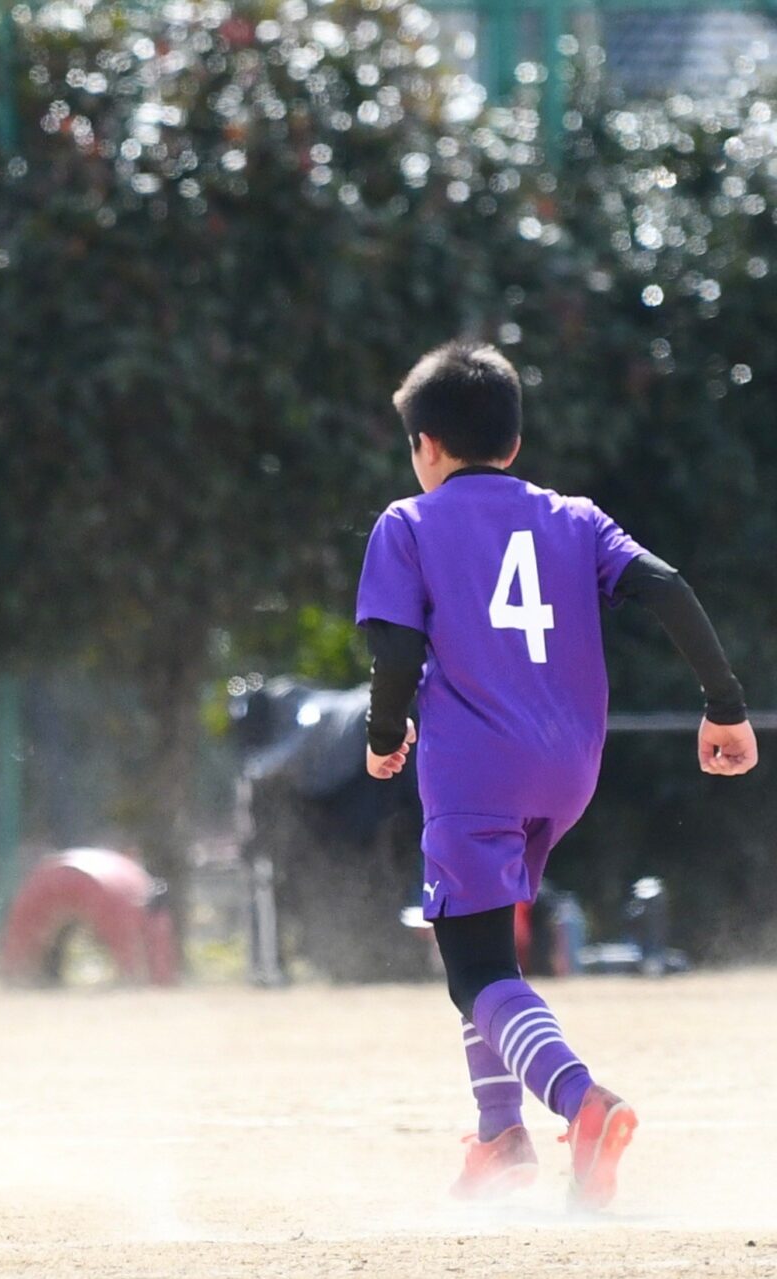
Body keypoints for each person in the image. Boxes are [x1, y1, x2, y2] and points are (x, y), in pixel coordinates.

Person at [357, 341, 758, 1210]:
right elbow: (665, 585)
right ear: (512, 439)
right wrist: (725, 705)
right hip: (568, 768)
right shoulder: (575, 517)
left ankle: (582, 1103)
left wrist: (385, 733)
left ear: (425, 443)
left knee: (474, 972)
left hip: (476, 771)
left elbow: (397, 648)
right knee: (484, 941)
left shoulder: (408, 523)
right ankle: (500, 1137)